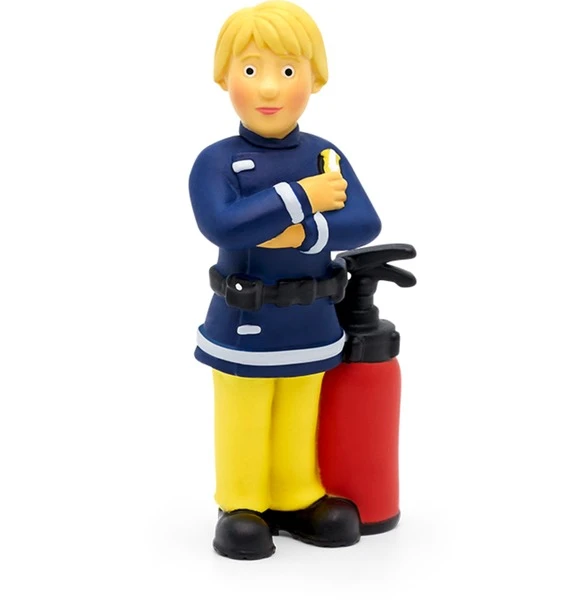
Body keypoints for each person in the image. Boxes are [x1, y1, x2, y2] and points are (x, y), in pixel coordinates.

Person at [189, 0, 381, 560]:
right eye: (251, 70)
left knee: (300, 407)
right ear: (224, 77)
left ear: (314, 78)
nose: (269, 88)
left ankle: (296, 494)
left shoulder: (325, 154)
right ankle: (243, 501)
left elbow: (363, 222)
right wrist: (304, 196)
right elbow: (224, 223)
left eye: (288, 70)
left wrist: (299, 231)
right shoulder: (216, 162)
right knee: (245, 410)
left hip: (311, 321)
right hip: (245, 320)